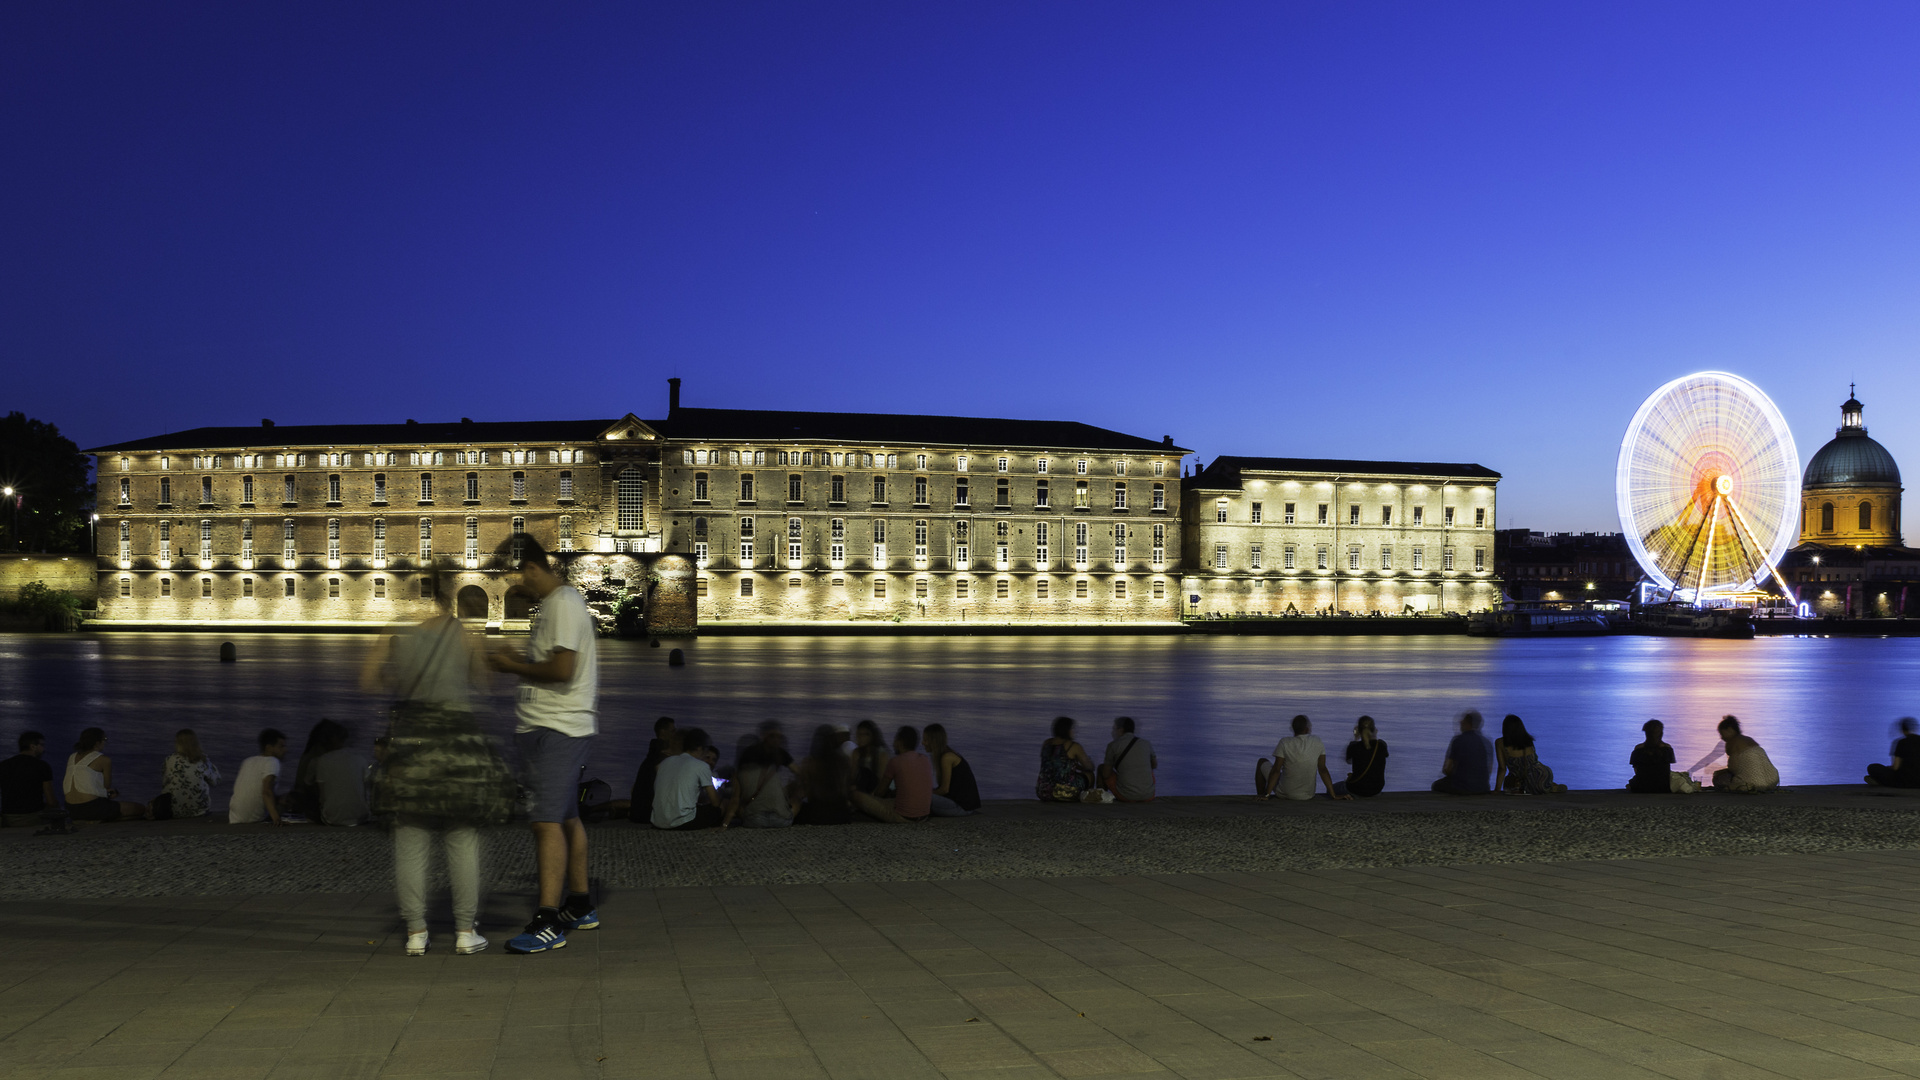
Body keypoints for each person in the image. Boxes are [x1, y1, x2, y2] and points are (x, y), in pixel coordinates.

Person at [361, 571, 510, 956]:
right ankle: (465, 931)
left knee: (410, 841)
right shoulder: (465, 634)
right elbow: (486, 684)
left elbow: (369, 681)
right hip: (458, 744)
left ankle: (415, 933)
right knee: (463, 839)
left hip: (411, 744)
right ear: (452, 596)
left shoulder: (399, 634)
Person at [486, 538, 602, 955]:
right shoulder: (554, 608)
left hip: (560, 728)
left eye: (517, 575)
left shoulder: (565, 603)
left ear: (532, 567)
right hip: (547, 726)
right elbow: (551, 664)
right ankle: (581, 904)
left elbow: (562, 669)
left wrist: (512, 665)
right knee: (566, 816)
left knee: (545, 821)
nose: (516, 584)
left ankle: (548, 920)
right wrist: (520, 661)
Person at [1257, 715, 1349, 801]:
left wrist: (1267, 794)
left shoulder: (1285, 742)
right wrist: (1333, 795)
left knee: (1262, 762)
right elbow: (1322, 769)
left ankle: (1262, 796)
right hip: (1308, 795)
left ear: (1293, 729)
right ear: (1307, 729)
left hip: (1285, 793)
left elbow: (1276, 770)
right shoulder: (1317, 741)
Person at [63, 728, 146, 822]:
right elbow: (106, 786)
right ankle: (101, 819)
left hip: (71, 809)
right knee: (140, 809)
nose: (105, 742)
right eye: (105, 739)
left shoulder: (72, 757)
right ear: (97, 743)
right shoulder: (104, 760)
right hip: (92, 806)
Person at [653, 726, 724, 830]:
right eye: (706, 749)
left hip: (657, 820)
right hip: (682, 822)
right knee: (721, 807)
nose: (706, 753)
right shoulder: (701, 766)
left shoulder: (665, 762)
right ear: (700, 748)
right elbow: (715, 802)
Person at [725, 732, 796, 829]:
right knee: (796, 801)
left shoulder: (739, 773)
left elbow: (734, 801)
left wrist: (724, 825)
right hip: (781, 821)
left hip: (755, 821)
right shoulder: (771, 768)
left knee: (739, 805)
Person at [793, 724, 857, 826]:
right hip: (842, 814)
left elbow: (803, 793)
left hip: (817, 814)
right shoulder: (843, 762)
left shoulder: (811, 763)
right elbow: (847, 789)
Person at [289, 719, 349, 820]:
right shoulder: (320, 759)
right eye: (340, 741)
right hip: (314, 807)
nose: (342, 746)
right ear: (331, 739)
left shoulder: (310, 753)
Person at [875, 725, 936, 821]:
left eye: (895, 739)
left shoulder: (895, 761)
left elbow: (880, 792)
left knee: (858, 796)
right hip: (924, 815)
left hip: (904, 816)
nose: (893, 743)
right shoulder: (925, 759)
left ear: (900, 742)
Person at [229, 728, 289, 824]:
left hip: (235, 818)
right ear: (269, 748)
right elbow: (266, 790)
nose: (285, 750)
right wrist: (276, 819)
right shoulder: (272, 761)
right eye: (281, 746)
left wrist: (277, 798)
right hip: (254, 819)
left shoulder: (247, 761)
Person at [313, 726, 370, 826]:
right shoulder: (360, 759)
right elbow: (366, 790)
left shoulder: (323, 760)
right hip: (360, 815)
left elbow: (322, 795)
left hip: (333, 817)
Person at [159, 729, 221, 819]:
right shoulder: (202, 760)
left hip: (173, 810)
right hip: (199, 811)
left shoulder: (169, 760)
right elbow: (216, 781)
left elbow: (164, 782)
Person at [1493, 714, 1561, 794]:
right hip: (1542, 773)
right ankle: (1549, 786)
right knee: (1539, 784)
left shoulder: (1500, 743)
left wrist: (1497, 789)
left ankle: (1547, 787)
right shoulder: (1528, 741)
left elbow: (1502, 768)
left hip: (1524, 781)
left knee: (1512, 786)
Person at [1709, 716, 1779, 793]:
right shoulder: (1749, 740)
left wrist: (1718, 773)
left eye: (1722, 734)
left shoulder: (1731, 743)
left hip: (1753, 783)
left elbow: (1734, 768)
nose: (1721, 737)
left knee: (1718, 778)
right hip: (1772, 780)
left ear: (1730, 729)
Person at [923, 723, 981, 814]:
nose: (923, 743)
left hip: (961, 808)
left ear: (934, 741)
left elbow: (944, 790)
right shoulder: (946, 754)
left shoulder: (947, 757)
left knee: (919, 796)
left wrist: (924, 792)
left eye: (926, 740)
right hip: (962, 805)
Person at [628, 717, 678, 823]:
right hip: (649, 812)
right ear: (663, 732)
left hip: (640, 810)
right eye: (673, 731)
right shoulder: (662, 756)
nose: (675, 734)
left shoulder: (653, 754)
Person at [0, 731, 55, 827]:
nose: (43, 749)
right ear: (33, 746)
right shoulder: (42, 766)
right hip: (33, 816)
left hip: (8, 816)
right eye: (41, 745)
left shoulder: (4, 765)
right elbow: (50, 800)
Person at [1035, 716, 1096, 802]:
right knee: (1090, 775)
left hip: (1043, 791)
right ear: (1067, 730)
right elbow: (1089, 767)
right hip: (1064, 791)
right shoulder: (1073, 746)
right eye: (1072, 729)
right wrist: (1086, 765)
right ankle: (1085, 799)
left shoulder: (1047, 743)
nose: (1074, 731)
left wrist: (1076, 766)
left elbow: (1055, 763)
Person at [1431, 712, 1493, 795]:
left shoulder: (1458, 740)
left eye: (1463, 720)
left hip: (1463, 787)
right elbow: (1489, 769)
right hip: (1483, 787)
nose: (1460, 722)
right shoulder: (1486, 742)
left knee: (1437, 785)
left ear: (1467, 723)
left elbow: (1447, 769)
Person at [1098, 717, 1157, 802]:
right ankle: (1144, 789)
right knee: (1148, 770)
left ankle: (1101, 798)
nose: (1112, 732)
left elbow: (1106, 774)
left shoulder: (1113, 746)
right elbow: (1154, 765)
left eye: (1114, 729)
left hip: (1126, 796)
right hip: (1149, 795)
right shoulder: (1146, 743)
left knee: (1101, 768)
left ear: (1120, 730)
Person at [1341, 716, 1388, 798]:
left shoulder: (1353, 746)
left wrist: (1355, 737)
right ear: (1374, 730)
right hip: (1376, 789)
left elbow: (1349, 761)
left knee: (1332, 788)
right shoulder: (1382, 745)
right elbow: (1378, 755)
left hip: (1356, 789)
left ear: (1358, 730)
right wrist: (1373, 736)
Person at [1866, 718, 1920, 788]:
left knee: (1872, 767)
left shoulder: (1901, 742)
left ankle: (1878, 781)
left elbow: (1896, 767)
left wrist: (1889, 768)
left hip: (1903, 781)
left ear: (1902, 730)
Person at [1628, 720, 1678, 793]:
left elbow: (1636, 770)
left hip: (1642, 787)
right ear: (1661, 733)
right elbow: (1666, 770)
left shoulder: (1638, 749)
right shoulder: (1667, 749)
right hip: (1663, 787)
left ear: (1646, 733)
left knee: (1630, 783)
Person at [851, 720, 890, 795]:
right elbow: (852, 776)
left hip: (875, 792)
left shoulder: (881, 754)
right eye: (858, 734)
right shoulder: (856, 752)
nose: (859, 738)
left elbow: (881, 781)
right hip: (860, 790)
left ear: (871, 736)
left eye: (863, 735)